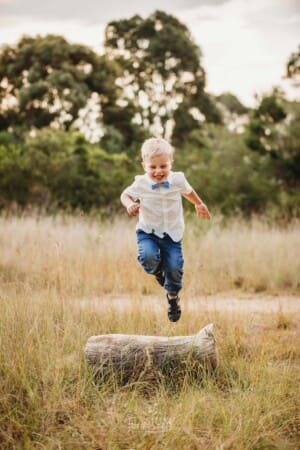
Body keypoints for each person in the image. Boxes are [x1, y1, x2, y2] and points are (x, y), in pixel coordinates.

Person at [120, 137, 211, 322]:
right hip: (148, 232)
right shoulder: (141, 183)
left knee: (175, 268)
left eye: (163, 166)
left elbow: (188, 191)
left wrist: (199, 204)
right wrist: (129, 204)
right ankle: (157, 273)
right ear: (144, 166)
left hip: (172, 234)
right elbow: (125, 194)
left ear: (171, 164)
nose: (158, 171)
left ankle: (172, 298)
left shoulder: (178, 179)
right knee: (148, 258)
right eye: (153, 167)